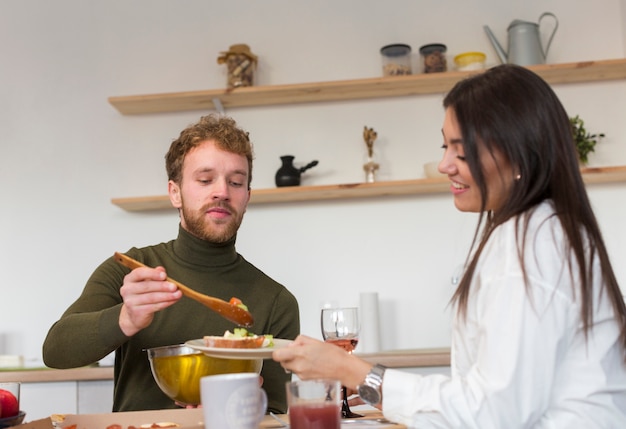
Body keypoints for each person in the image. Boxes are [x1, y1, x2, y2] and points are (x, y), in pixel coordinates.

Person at [273, 65, 626, 428]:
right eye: (446, 147)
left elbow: (494, 412)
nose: (444, 165)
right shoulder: (545, 228)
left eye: (462, 152)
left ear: (518, 154)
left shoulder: (530, 242)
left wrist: (354, 372)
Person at [43, 114, 300, 414]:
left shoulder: (276, 301)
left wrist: (246, 408)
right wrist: (126, 318)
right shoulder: (133, 271)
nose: (222, 192)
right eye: (205, 180)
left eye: (236, 182)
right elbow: (55, 350)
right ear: (175, 192)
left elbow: (278, 413)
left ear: (247, 197)